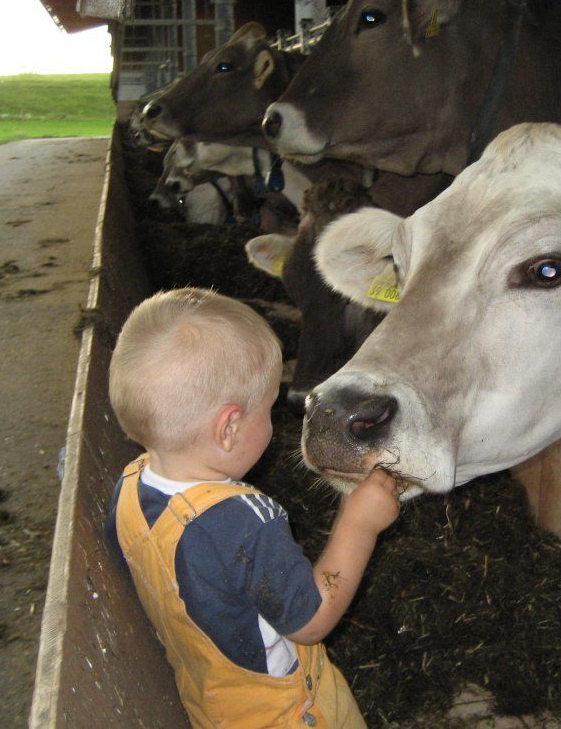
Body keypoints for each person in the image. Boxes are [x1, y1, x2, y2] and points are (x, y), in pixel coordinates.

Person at [104, 287, 399, 729]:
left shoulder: (128, 490)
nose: (274, 420)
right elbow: (311, 621)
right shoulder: (245, 522)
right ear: (228, 429)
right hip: (288, 715)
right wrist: (359, 523)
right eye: (268, 409)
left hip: (213, 706)